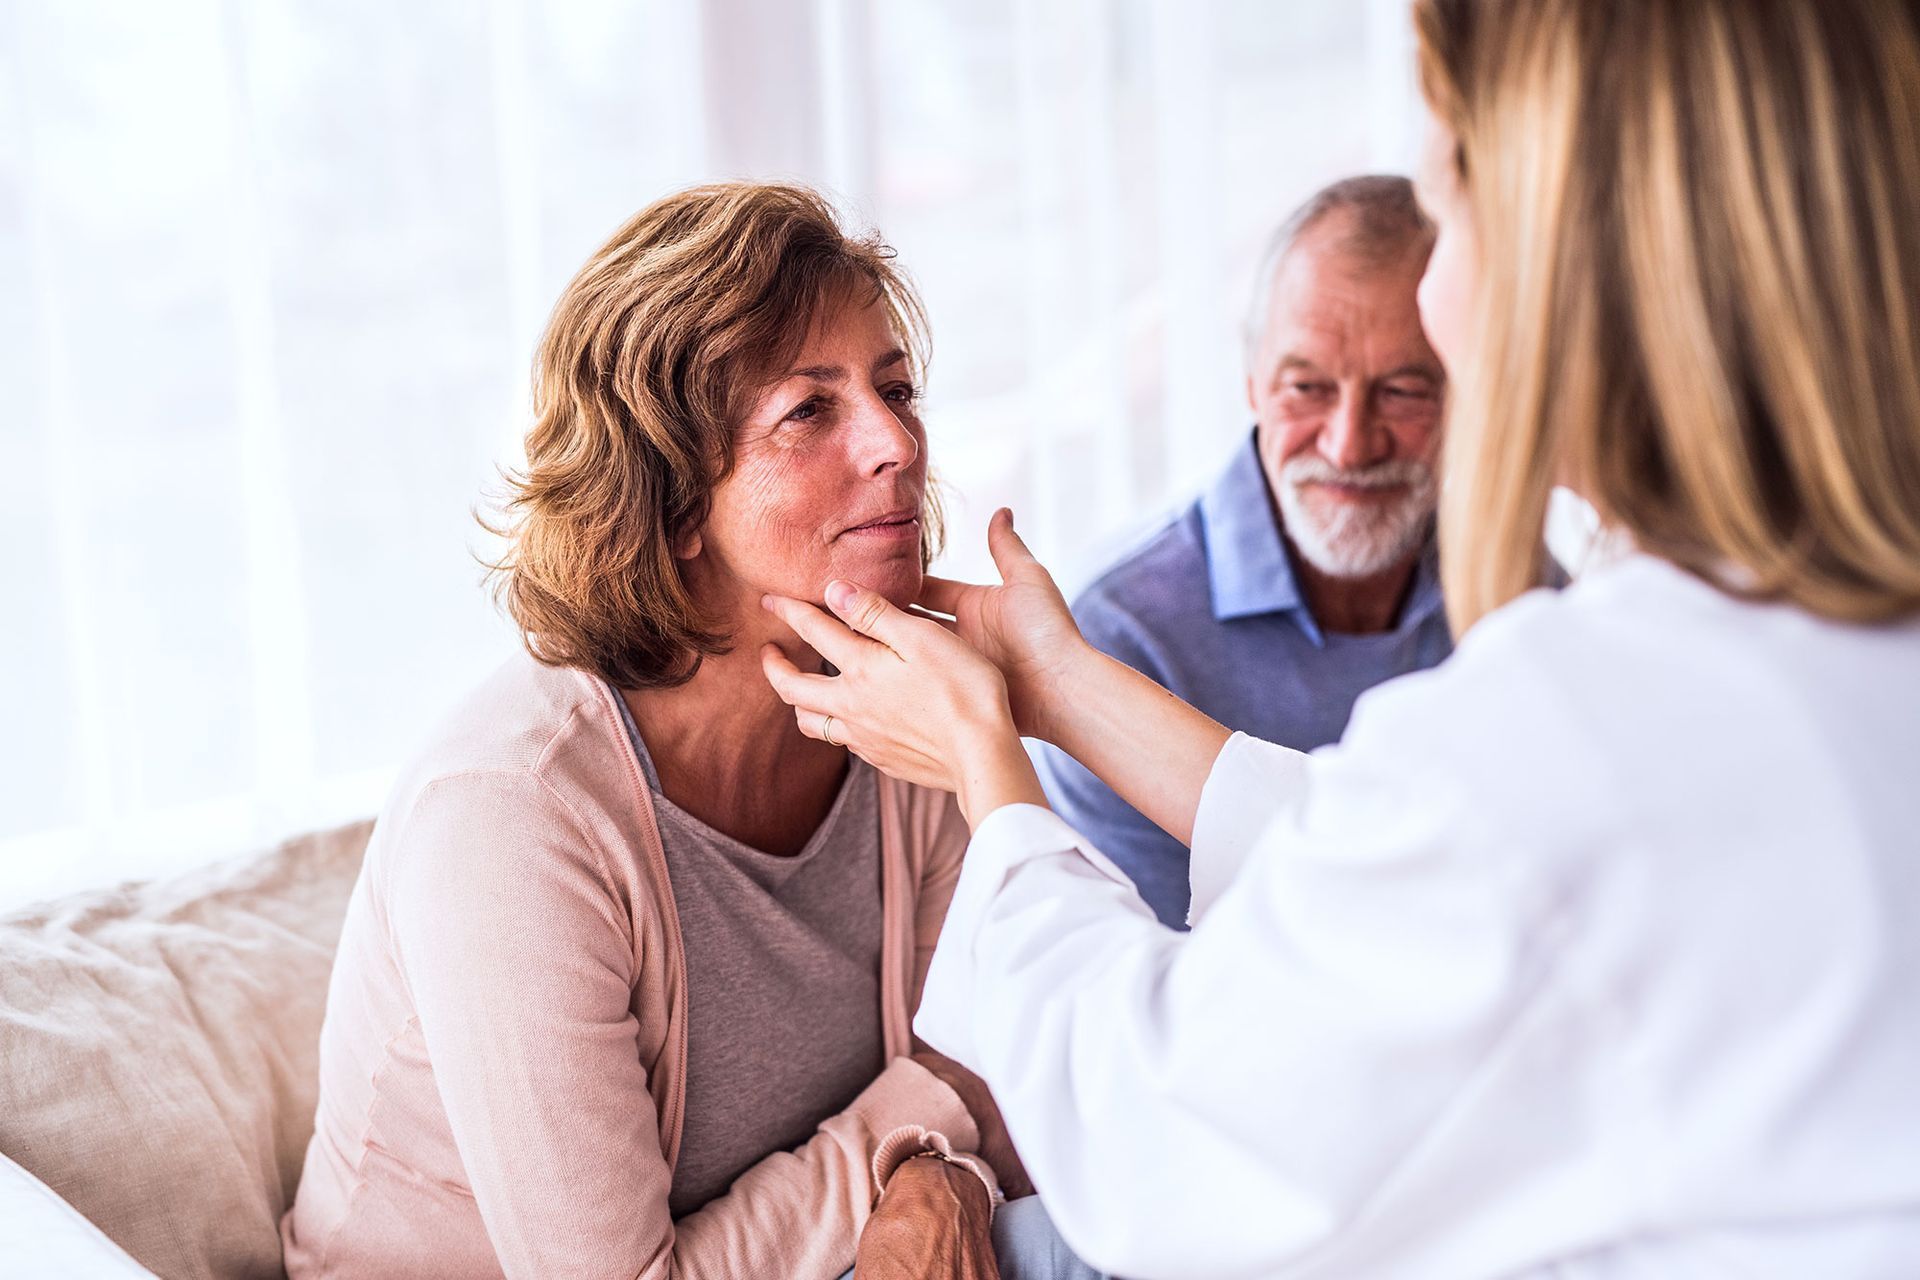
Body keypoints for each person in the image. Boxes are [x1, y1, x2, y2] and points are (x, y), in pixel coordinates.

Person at [759, 0, 1920, 1274]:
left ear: (1569, 256)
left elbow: (1170, 1138)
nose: (1432, 290)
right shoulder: (1804, 644)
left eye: (1450, 203)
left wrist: (988, 769)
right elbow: (1397, 856)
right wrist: (1054, 686)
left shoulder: (1578, 713)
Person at [281, 182, 1095, 1280]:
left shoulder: (903, 703)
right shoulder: (512, 811)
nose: (897, 440)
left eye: (895, 388)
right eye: (811, 410)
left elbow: (1026, 1065)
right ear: (670, 507)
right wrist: (915, 1159)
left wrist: (940, 1167)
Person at [1036, 175, 1452, 927]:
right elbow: (1156, 997)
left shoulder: (1525, 588)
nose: (1350, 444)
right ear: (1252, 382)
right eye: (1307, 388)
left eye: (1401, 391)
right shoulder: (1113, 642)